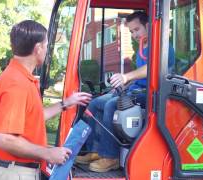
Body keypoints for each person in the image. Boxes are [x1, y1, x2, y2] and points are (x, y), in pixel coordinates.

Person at [0, 20, 92, 180]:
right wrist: (48, 153)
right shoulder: (17, 83)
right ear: (38, 48)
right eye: (46, 45)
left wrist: (66, 103)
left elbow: (33, 118)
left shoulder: (22, 78)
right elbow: (4, 139)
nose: (47, 51)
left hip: (17, 171)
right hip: (15, 173)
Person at [75, 11, 175, 173]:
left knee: (111, 105)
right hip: (136, 90)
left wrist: (126, 76)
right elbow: (141, 76)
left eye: (137, 30)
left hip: (152, 94)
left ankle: (111, 157)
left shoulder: (162, 47)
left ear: (148, 26)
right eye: (131, 32)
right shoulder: (143, 46)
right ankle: (95, 150)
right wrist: (124, 84)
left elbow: (153, 69)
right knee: (95, 103)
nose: (134, 35)